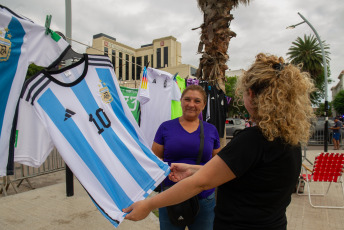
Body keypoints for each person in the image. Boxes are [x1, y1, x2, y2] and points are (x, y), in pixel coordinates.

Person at [123, 53, 315, 230]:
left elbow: (200, 183)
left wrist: (148, 204)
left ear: (252, 94)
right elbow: (238, 172)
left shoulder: (252, 140)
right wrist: (192, 169)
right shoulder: (291, 141)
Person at [151, 84, 221, 230]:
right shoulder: (166, 127)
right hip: (171, 196)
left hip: (204, 197)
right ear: (181, 101)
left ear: (203, 104)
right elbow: (155, 160)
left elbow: (218, 163)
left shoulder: (211, 130)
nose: (191, 104)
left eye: (197, 101)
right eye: (187, 99)